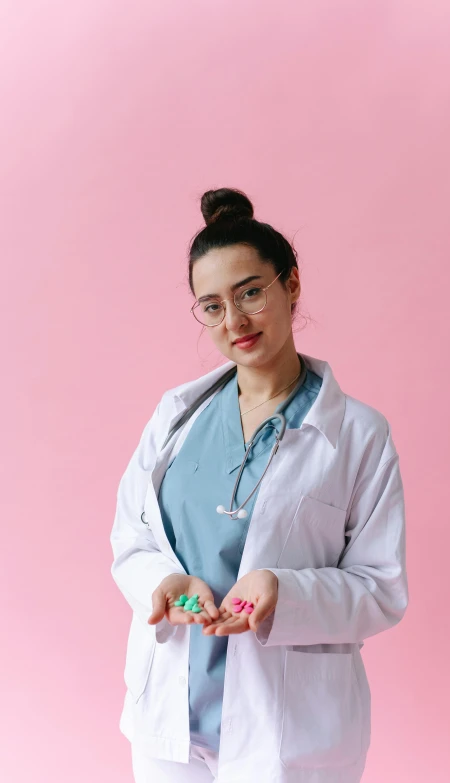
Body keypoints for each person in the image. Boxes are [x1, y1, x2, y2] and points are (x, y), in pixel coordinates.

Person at [110, 187, 409, 783]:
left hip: (288, 729)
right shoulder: (176, 417)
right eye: (213, 306)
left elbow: (379, 589)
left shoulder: (358, 434)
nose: (236, 321)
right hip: (173, 720)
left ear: (290, 284)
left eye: (250, 292)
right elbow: (131, 541)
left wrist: (282, 591)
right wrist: (166, 584)